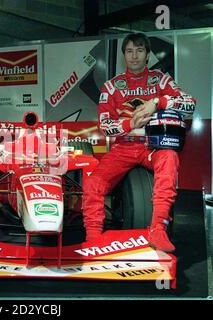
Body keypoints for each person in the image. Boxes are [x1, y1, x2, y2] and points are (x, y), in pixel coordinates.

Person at [82, 33, 196, 252]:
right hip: (124, 147)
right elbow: (104, 126)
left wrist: (158, 102)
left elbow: (189, 104)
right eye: (129, 51)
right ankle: (93, 239)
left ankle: (158, 229)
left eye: (140, 50)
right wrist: (129, 123)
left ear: (147, 55)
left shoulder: (161, 80)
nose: (134, 56)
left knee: (170, 158)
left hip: (153, 144)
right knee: (93, 183)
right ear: (124, 56)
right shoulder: (111, 86)